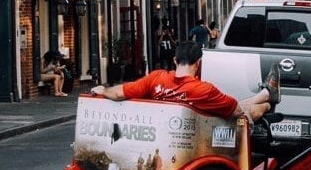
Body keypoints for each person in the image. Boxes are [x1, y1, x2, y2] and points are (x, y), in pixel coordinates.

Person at [91, 40, 279, 123]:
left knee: (234, 107)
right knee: (249, 112)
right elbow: (238, 111)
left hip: (166, 135)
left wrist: (103, 90)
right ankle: (268, 100)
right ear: (198, 63)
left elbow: (118, 92)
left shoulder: (156, 78)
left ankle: (266, 93)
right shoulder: (203, 90)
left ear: (174, 60)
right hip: (201, 137)